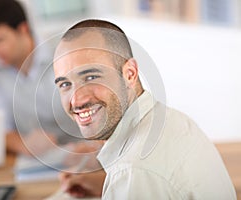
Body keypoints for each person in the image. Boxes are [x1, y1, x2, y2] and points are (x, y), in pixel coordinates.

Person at [53, 19, 237, 199]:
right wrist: (108, 185)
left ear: (129, 74)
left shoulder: (134, 171)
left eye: (91, 77)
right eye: (65, 84)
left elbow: (141, 173)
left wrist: (122, 183)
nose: (76, 100)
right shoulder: (170, 120)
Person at [0, 0, 81, 155]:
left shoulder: (64, 53)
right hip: (37, 162)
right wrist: (23, 144)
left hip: (84, 153)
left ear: (23, 29)